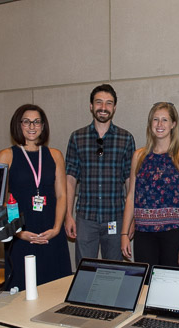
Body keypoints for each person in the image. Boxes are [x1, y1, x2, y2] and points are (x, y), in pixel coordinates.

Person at [0, 104, 72, 328]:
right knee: (28, 295)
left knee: (52, 293)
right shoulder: (7, 155)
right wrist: (17, 231)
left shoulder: (54, 155)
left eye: (37, 122)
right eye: (26, 122)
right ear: (18, 125)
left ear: (43, 126)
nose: (31, 126)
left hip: (51, 233)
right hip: (22, 234)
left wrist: (56, 227)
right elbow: (3, 198)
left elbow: (61, 195)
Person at [121, 102, 179, 274]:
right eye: (155, 119)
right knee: (145, 284)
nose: (160, 124)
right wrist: (124, 234)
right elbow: (131, 196)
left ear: (173, 124)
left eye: (165, 120)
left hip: (173, 234)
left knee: (168, 286)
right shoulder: (139, 156)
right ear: (150, 124)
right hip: (143, 234)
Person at [65, 84, 136, 263]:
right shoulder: (77, 137)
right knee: (85, 271)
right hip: (85, 218)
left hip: (116, 218)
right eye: (99, 102)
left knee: (115, 273)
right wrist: (68, 215)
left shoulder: (126, 139)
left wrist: (131, 220)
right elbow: (70, 181)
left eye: (108, 103)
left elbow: (131, 184)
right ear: (91, 106)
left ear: (114, 108)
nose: (103, 108)